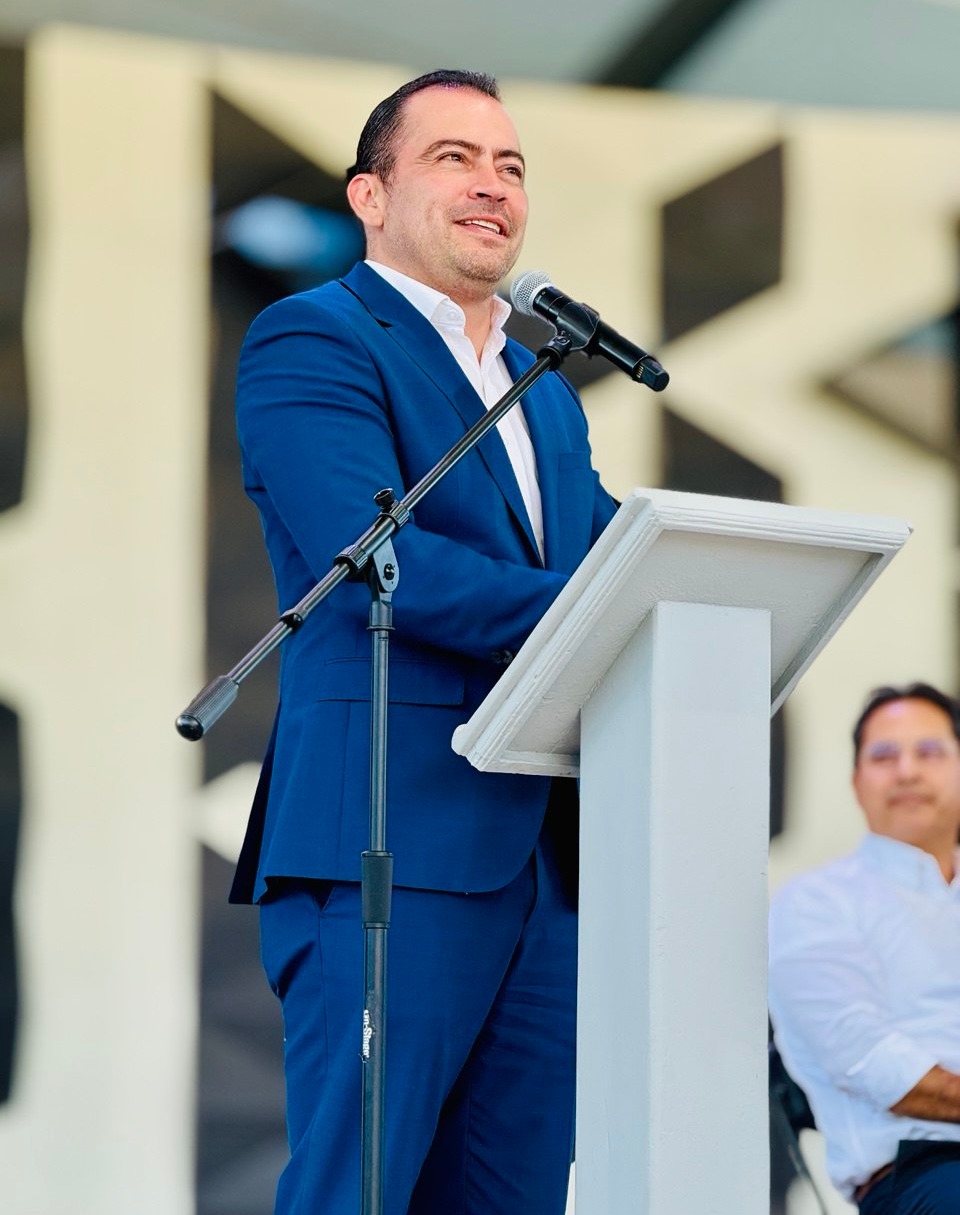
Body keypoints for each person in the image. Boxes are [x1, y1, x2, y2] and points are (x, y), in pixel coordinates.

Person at [228, 69, 618, 1215]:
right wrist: (597, 609)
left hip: (544, 866)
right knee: (356, 1192)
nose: (493, 185)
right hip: (388, 839)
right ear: (369, 195)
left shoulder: (545, 391)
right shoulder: (316, 336)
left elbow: (607, 566)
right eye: (455, 158)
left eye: (511, 167)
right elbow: (374, 557)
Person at [769, 682, 960, 1214]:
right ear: (856, 782)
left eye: (929, 751)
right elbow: (872, 1064)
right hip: (923, 1171)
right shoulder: (816, 903)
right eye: (884, 755)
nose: (907, 771)